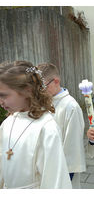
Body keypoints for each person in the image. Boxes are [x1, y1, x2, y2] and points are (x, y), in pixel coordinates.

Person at [0, 61, 72, 189]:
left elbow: (55, 180)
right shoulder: (8, 122)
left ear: (27, 91)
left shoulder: (46, 128)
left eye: (3, 96)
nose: (1, 102)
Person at [37, 63, 86, 189]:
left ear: (56, 81)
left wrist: (66, 176)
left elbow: (73, 147)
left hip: (62, 171)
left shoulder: (70, 106)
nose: (40, 91)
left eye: (42, 86)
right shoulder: (42, 103)